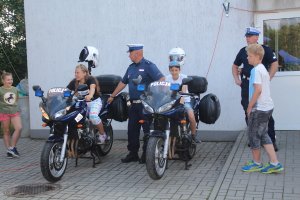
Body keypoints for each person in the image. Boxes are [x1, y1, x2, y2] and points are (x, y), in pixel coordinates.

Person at [108, 44, 164, 163]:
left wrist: (153, 94)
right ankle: (133, 153)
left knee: (148, 130)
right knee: (132, 130)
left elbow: (162, 80)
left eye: (130, 53)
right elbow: (123, 83)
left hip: (145, 104)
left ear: (137, 53)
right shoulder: (131, 68)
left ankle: (146, 154)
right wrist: (112, 96)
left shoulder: (149, 66)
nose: (129, 55)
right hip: (133, 105)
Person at [232, 27, 279, 151]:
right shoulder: (243, 51)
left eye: (250, 36)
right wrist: (237, 79)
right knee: (249, 112)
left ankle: (271, 140)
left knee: (264, 112)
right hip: (247, 84)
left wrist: (268, 78)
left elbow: (274, 64)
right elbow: (235, 65)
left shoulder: (265, 50)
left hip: (259, 85)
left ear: (256, 37)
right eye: (246, 36)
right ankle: (254, 139)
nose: (247, 38)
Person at [241, 44, 283, 174]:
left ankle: (257, 163)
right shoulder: (263, 68)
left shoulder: (256, 71)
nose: (247, 58)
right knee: (263, 134)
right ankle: (275, 163)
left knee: (253, 135)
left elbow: (258, 90)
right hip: (267, 107)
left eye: (250, 56)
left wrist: (249, 106)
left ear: (257, 57)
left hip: (259, 108)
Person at [67, 64, 107, 144]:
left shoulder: (90, 79)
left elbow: (92, 88)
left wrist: (90, 95)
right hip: (81, 103)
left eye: (78, 72)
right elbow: (65, 91)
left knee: (93, 116)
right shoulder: (74, 82)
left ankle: (102, 134)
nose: (75, 74)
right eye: (75, 72)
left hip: (94, 102)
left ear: (84, 73)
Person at [165, 47, 199, 143]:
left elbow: (183, 92)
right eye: (172, 70)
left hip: (184, 101)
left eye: (176, 70)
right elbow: (164, 91)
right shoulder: (167, 78)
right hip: (171, 102)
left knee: (191, 115)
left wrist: (180, 103)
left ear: (179, 70)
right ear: (169, 70)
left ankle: (193, 135)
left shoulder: (184, 78)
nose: (174, 72)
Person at [0, 71, 22, 158]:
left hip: (14, 112)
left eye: (11, 79)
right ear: (3, 81)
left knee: (19, 128)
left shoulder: (15, 89)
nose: (10, 81)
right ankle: (9, 150)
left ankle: (12, 148)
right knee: (6, 131)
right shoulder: (0, 90)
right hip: (4, 113)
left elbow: (16, 99)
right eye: (8, 80)